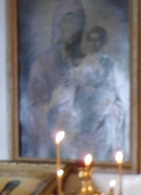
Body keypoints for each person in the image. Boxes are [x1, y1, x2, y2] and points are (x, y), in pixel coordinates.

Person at [25, 0, 87, 158]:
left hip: (82, 138)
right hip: (55, 141)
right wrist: (53, 103)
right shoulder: (42, 65)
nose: (73, 31)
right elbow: (33, 111)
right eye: (69, 24)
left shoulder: (89, 63)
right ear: (58, 26)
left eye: (77, 25)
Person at [72, 25, 126, 159]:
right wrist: (85, 88)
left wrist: (103, 96)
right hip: (86, 107)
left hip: (103, 106)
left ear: (102, 42)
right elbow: (76, 83)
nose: (94, 43)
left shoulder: (109, 63)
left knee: (103, 143)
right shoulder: (83, 62)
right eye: (91, 40)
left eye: (97, 40)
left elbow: (113, 86)